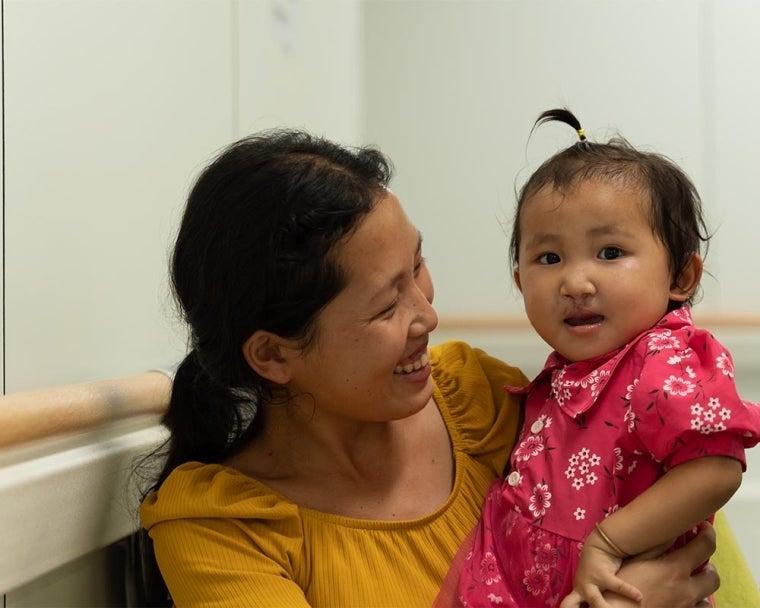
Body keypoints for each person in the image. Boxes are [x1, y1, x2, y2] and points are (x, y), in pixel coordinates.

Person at [139, 127, 738, 607]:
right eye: (386, 304)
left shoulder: (476, 396)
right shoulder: (224, 530)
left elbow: (675, 499)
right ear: (272, 354)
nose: (428, 314)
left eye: (418, 268)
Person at [442, 109, 760, 608]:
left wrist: (611, 540)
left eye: (610, 253)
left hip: (625, 588)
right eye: (549, 258)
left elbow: (716, 468)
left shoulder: (664, 357)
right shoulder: (567, 372)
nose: (575, 283)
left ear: (681, 277)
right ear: (520, 281)